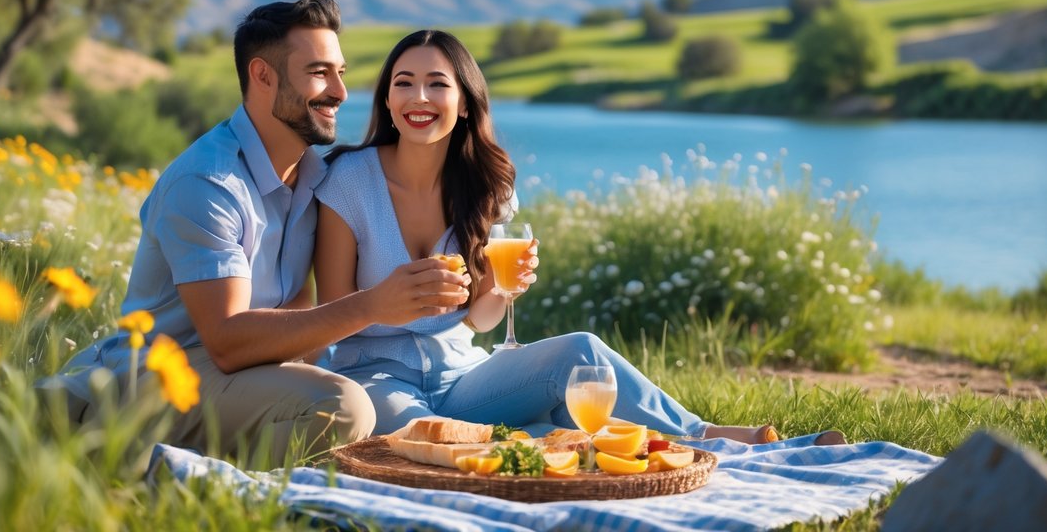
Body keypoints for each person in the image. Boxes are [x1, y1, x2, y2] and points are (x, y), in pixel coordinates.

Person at [313, 29, 820, 443]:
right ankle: (554, 435)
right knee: (422, 439)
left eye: (438, 84)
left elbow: (480, 322)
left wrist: (500, 290)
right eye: (404, 83)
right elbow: (333, 315)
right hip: (377, 379)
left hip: (464, 376)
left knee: (582, 349)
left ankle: (704, 434)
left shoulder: (489, 187)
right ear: (387, 97)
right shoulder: (349, 181)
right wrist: (386, 302)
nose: (419, 98)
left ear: (465, 103)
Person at [45, 0, 472, 464]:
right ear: (263, 76)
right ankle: (161, 473)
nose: (340, 92)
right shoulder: (208, 183)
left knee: (359, 408)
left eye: (341, 72)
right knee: (343, 407)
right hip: (166, 374)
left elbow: (295, 311)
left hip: (248, 374)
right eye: (318, 73)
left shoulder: (311, 174)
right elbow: (227, 342)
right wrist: (373, 305)